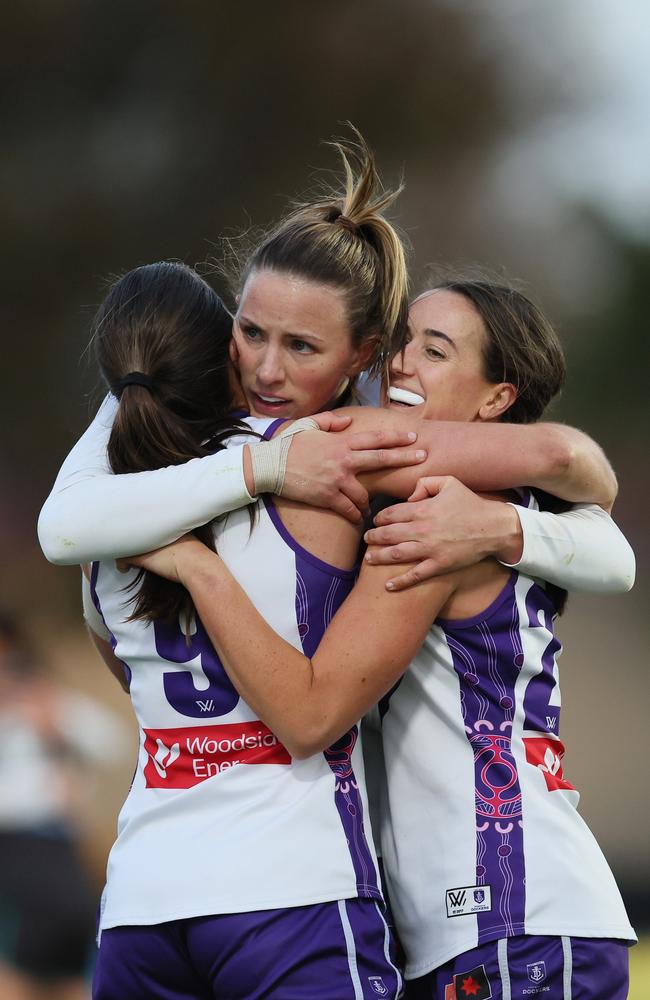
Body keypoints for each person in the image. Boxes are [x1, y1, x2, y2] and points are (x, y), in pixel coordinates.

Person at [40, 133, 631, 999]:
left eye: (435, 351)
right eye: (249, 332)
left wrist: (509, 522)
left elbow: (588, 498)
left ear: (356, 353)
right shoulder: (201, 444)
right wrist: (265, 469)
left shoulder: (411, 488)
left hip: (504, 906)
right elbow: (67, 532)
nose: (267, 367)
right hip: (408, 913)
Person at [132, 280, 635, 999]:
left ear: (497, 400)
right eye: (401, 343)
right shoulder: (475, 505)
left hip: (507, 913)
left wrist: (187, 559)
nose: (401, 364)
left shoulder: (438, 514)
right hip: (486, 925)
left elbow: (310, 713)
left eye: (434, 350)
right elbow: (587, 504)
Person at [0, 611, 125, 1000]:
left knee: (72, 960)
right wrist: (44, 791)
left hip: (60, 850)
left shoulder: (46, 704)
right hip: (13, 852)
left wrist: (56, 721)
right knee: (18, 967)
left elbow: (114, 744)